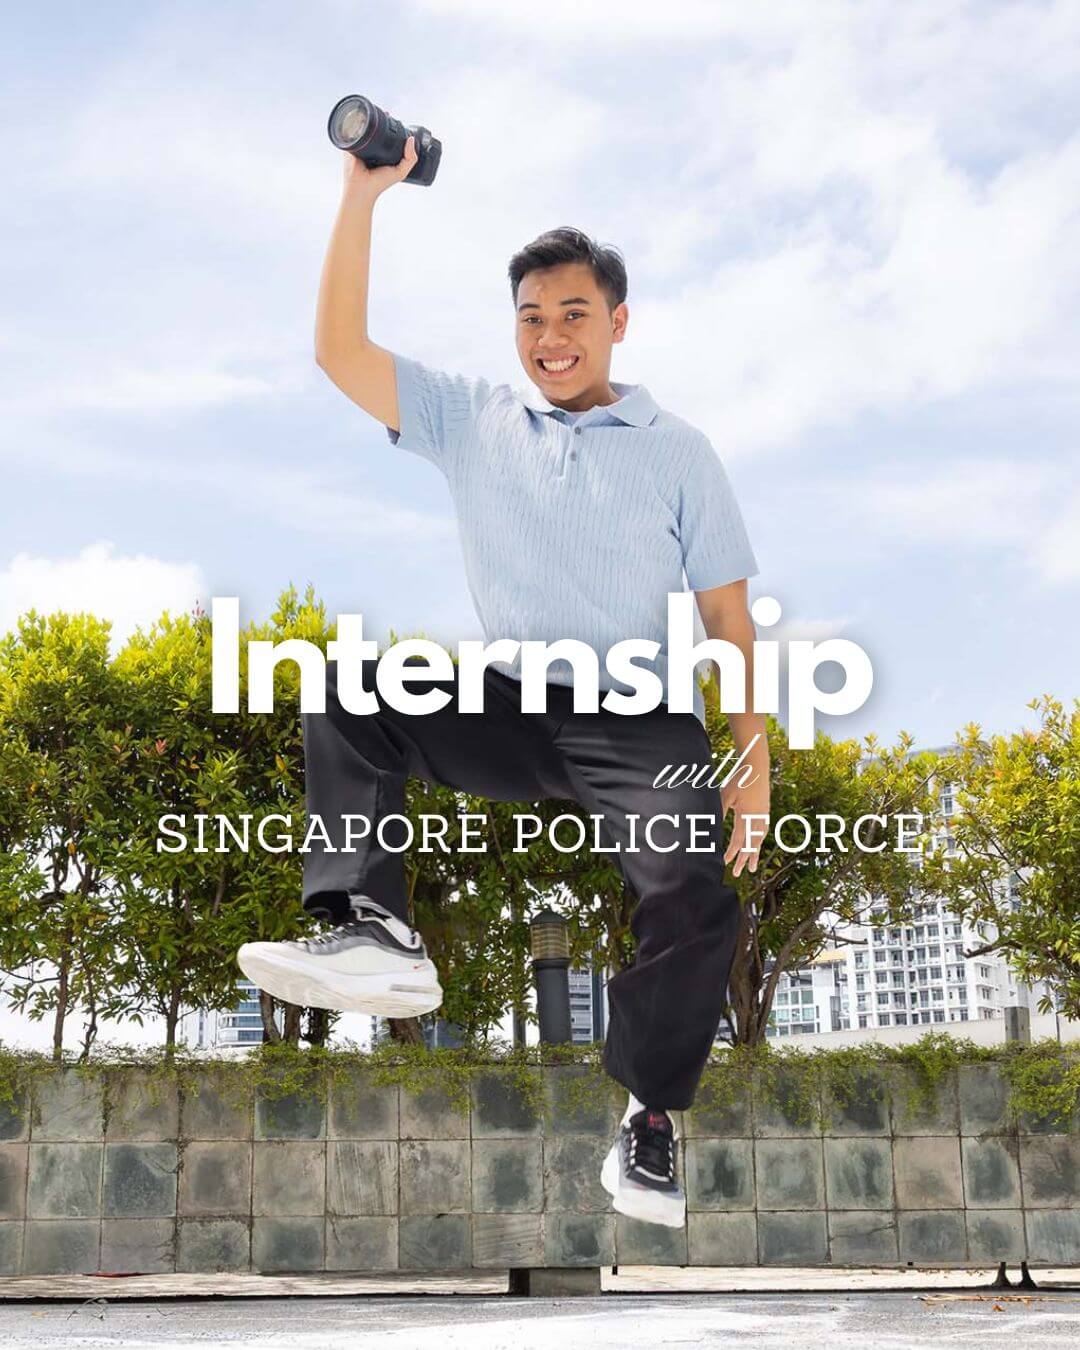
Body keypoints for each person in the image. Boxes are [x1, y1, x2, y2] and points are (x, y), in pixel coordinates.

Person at [238, 136, 770, 1229]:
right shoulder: (473, 419)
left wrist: (751, 764)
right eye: (531, 317)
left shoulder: (680, 451)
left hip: (639, 715)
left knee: (690, 895)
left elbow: (727, 617)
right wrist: (362, 194)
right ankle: (372, 932)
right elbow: (340, 350)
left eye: (573, 314)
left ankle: (652, 1121)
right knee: (351, 690)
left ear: (617, 322)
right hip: (513, 702)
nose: (550, 337)